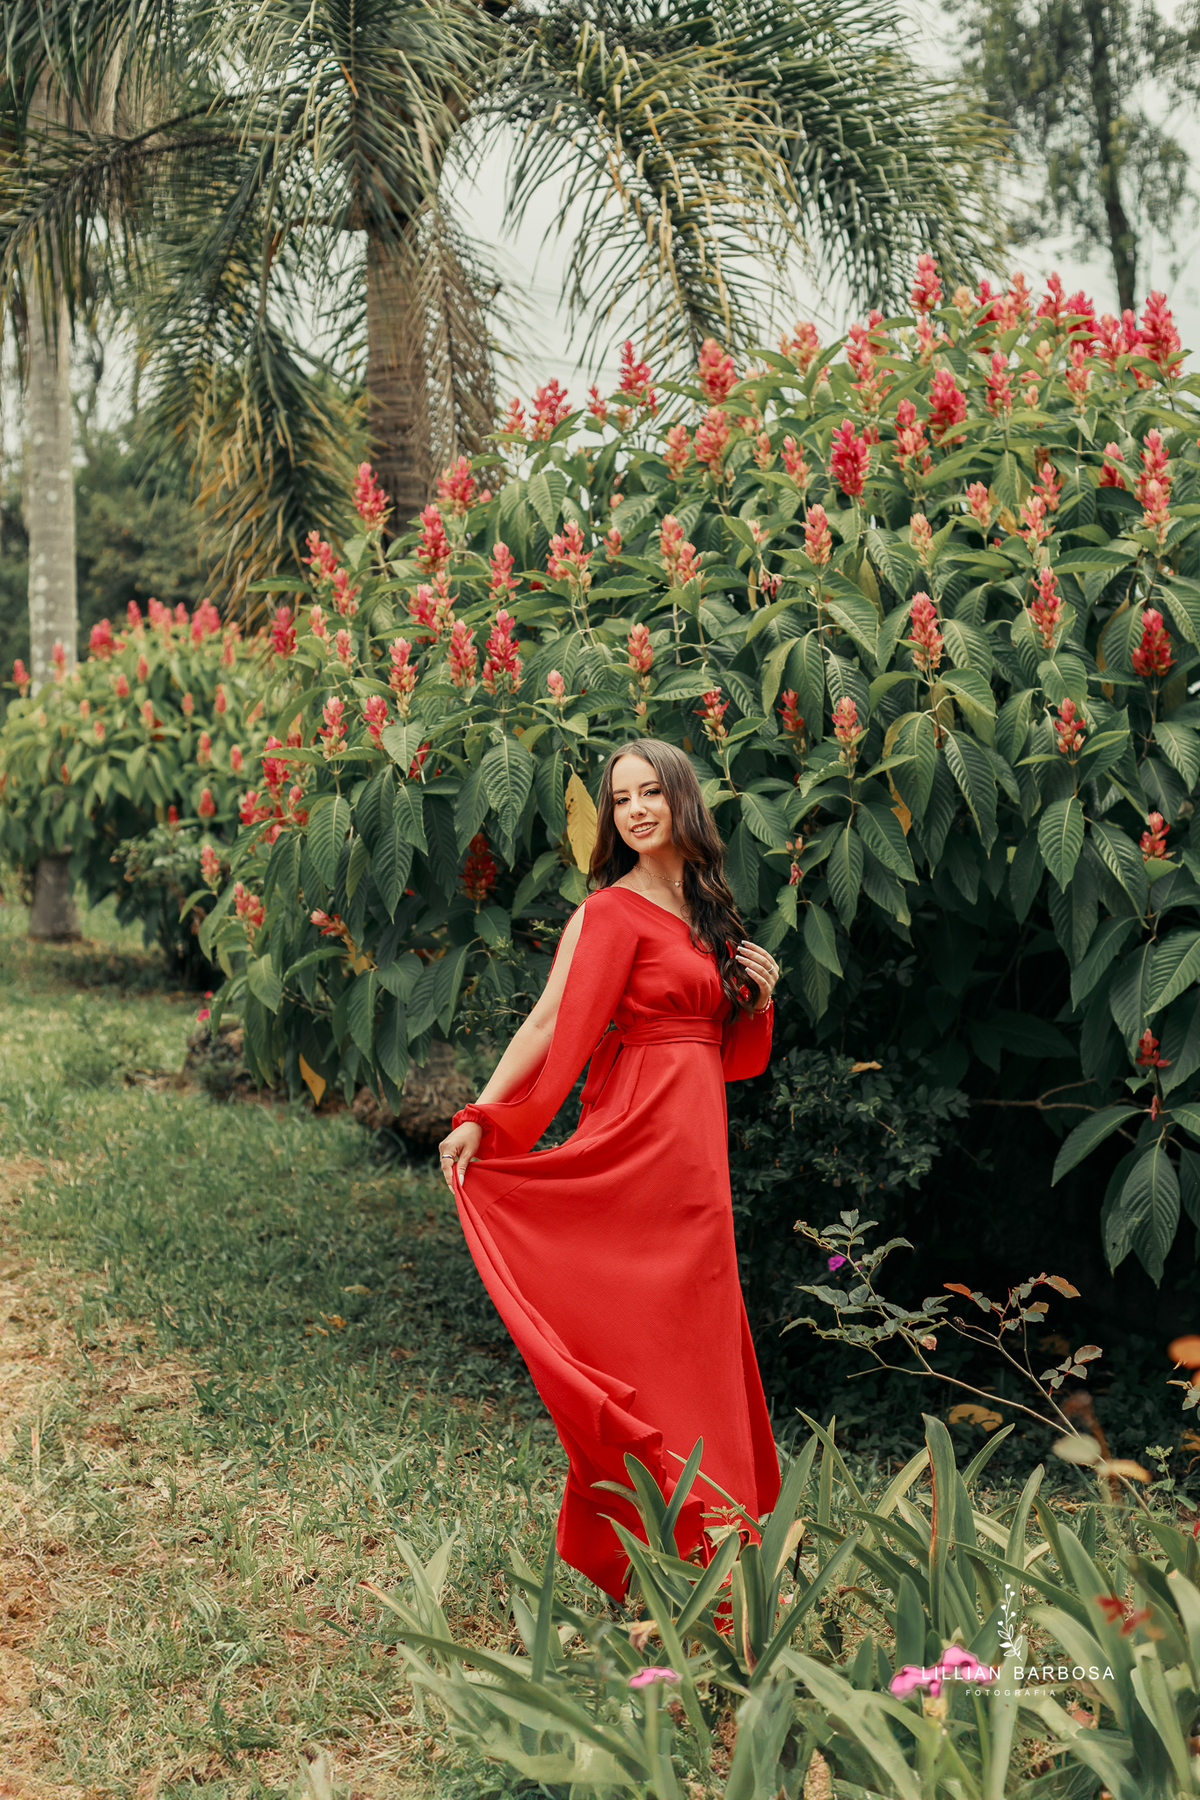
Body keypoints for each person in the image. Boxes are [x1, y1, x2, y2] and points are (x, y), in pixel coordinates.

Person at [437, 739, 782, 1599]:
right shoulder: (609, 912)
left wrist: (760, 996)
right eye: (620, 798)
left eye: (649, 794)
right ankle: (660, 1536)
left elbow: (722, 1046)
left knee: (697, 1329)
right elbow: (550, 1024)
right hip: (635, 1135)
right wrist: (482, 1114)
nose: (633, 810)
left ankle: (715, 1537)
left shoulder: (709, 909)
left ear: (680, 801)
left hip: (696, 1151)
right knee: (639, 1327)